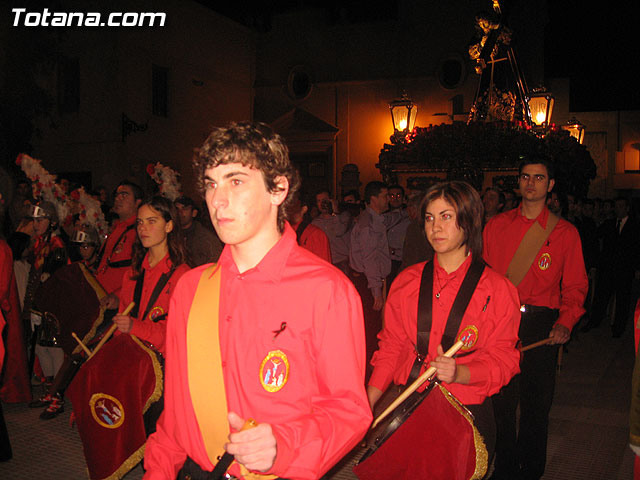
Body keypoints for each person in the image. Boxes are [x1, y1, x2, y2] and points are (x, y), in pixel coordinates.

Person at [143, 122, 371, 480]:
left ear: (278, 188)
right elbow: (176, 411)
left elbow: (348, 410)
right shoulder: (190, 289)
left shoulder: (326, 290)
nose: (218, 200)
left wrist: (284, 445)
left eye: (235, 181)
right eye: (211, 184)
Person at [367, 181, 520, 460]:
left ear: (470, 220)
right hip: (411, 405)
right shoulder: (407, 282)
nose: (435, 227)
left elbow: (505, 360)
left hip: (466, 409)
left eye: (446, 216)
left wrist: (460, 372)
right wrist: (368, 402)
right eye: (429, 218)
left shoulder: (497, 289)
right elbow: (392, 347)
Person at [484, 156, 588, 480]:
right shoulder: (496, 226)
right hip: (502, 322)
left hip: (541, 323)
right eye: (526, 177)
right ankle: (504, 469)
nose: (531, 183)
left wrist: (565, 322)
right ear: (519, 182)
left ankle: (530, 471)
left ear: (550, 185)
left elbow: (575, 285)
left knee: (535, 405)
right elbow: (483, 280)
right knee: (500, 402)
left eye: (539, 178)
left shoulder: (565, 233)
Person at [349, 181, 391, 378]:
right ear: (373, 199)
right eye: (384, 196)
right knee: (370, 330)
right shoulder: (368, 224)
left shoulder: (375, 220)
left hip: (369, 280)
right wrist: (376, 291)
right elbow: (370, 258)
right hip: (367, 282)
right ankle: (367, 375)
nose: (388, 199)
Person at [583, 197, 640, 337]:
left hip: (624, 269)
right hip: (608, 268)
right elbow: (596, 235)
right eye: (616, 206)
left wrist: (637, 268)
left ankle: (618, 328)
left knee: (622, 300)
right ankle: (594, 321)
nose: (618, 209)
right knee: (601, 296)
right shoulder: (609, 224)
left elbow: (637, 249)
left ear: (627, 208)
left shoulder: (635, 226)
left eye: (621, 206)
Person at [174, 195, 224, 267]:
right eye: (177, 209)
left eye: (184, 209)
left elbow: (216, 262)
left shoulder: (204, 237)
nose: (180, 213)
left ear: (194, 213)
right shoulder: (171, 233)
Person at [312, 189, 353, 274]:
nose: (322, 204)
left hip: (343, 262)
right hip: (326, 263)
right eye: (319, 201)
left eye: (324, 200)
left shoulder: (344, 216)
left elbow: (339, 231)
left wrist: (335, 211)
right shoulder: (316, 223)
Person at [286, 190, 332, 262]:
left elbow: (324, 267)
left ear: (304, 209)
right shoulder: (281, 231)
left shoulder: (316, 234)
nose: (288, 208)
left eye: (292, 203)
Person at [385, 184, 411, 287]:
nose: (395, 199)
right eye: (391, 196)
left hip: (403, 261)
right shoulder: (382, 217)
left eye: (398, 195)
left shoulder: (409, 217)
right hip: (386, 262)